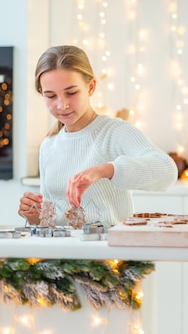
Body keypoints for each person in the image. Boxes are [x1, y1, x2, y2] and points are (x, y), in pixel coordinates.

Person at [18, 45, 177, 226]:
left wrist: (106, 170)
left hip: (111, 251)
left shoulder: (115, 132)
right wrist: (34, 215)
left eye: (71, 93)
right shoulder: (49, 145)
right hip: (63, 253)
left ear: (91, 87)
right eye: (51, 96)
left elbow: (167, 171)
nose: (62, 105)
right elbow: (50, 220)